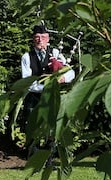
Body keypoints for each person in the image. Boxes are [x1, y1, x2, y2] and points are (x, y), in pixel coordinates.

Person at [20, 24, 75, 152]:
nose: (40, 40)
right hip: (34, 98)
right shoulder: (27, 57)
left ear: (48, 39)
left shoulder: (56, 53)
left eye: (43, 37)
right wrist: (45, 88)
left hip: (52, 99)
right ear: (33, 39)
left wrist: (63, 79)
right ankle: (33, 158)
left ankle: (49, 159)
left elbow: (70, 72)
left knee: (52, 128)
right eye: (37, 37)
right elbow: (27, 82)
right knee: (34, 128)